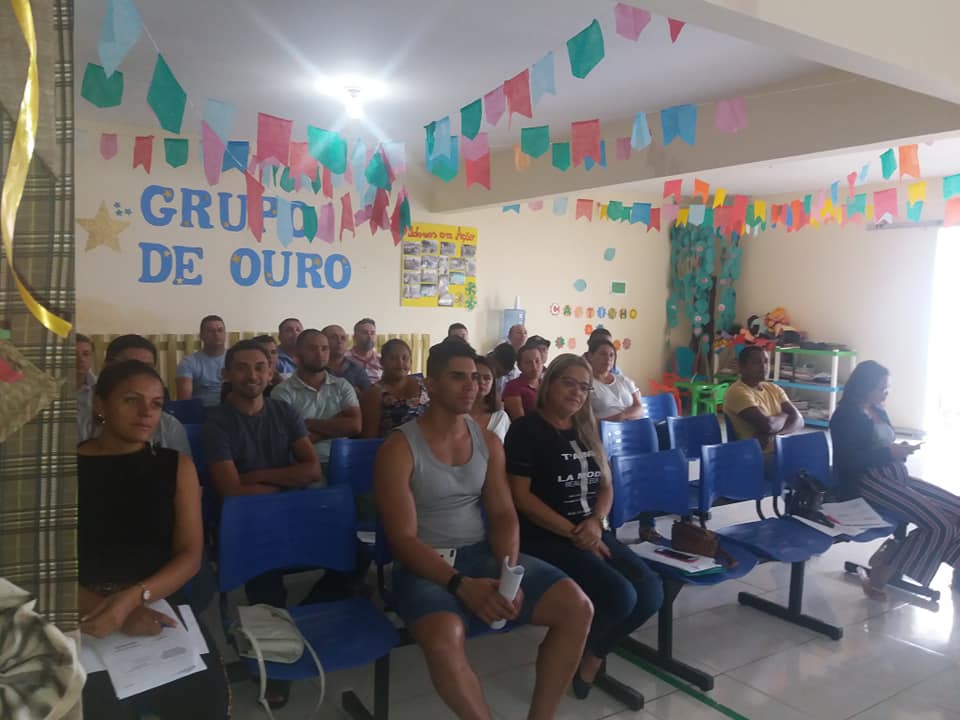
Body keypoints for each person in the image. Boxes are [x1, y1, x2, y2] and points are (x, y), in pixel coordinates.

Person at [374, 339, 593, 720]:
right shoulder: (399, 448)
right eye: (457, 377)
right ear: (431, 384)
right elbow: (403, 540)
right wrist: (462, 585)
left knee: (578, 608)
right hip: (425, 565)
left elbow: (504, 514)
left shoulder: (489, 442)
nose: (471, 386)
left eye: (475, 378)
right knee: (444, 639)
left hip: (481, 554)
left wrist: (508, 575)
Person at [504, 354, 662, 699]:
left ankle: (593, 653)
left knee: (651, 592)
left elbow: (606, 485)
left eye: (584, 387)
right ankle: (562, 647)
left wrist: (596, 523)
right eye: (569, 383)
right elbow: (521, 497)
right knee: (620, 595)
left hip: (590, 529)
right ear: (549, 384)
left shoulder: (586, 427)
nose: (577, 392)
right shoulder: (526, 430)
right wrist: (578, 533)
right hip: (545, 536)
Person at [78, 360, 229, 719]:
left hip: (157, 596)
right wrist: (107, 609)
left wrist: (133, 600)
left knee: (205, 705)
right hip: (79, 603)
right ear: (100, 404)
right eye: (131, 400)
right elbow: (39, 566)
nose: (147, 412)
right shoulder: (61, 469)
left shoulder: (176, 466)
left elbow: (190, 554)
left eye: (157, 403)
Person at [203, 339, 323, 708]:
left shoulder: (284, 411)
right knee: (267, 577)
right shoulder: (216, 421)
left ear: (271, 373)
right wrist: (285, 483)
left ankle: (296, 625)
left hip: (288, 512)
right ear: (227, 374)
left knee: (354, 557)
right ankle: (276, 663)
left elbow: (312, 470)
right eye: (241, 367)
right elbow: (232, 490)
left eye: (259, 367)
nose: (252, 375)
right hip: (245, 522)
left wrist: (259, 476)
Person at [830, 360, 960, 598]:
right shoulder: (845, 416)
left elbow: (884, 443)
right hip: (869, 480)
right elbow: (847, 460)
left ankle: (893, 555)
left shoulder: (877, 409)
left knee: (957, 508)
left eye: (887, 387)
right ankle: (883, 570)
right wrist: (889, 453)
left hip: (895, 474)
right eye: (881, 388)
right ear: (864, 386)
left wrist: (899, 450)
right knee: (940, 525)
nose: (886, 393)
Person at [79, 334, 192, 456]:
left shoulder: (169, 427)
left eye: (147, 368)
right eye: (130, 366)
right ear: (107, 367)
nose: (140, 374)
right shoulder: (78, 423)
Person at [272, 329, 361, 469]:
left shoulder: (342, 385)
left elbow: (354, 426)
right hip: (303, 465)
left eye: (324, 349)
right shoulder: (282, 392)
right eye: (312, 349)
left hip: (344, 461)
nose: (320, 354)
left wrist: (306, 424)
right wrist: (336, 425)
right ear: (298, 354)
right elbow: (286, 442)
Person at [723, 346, 803, 452]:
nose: (764, 366)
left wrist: (774, 436)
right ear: (742, 367)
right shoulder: (737, 391)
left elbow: (799, 420)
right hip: (753, 454)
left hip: (780, 449)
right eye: (756, 362)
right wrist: (786, 415)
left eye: (766, 362)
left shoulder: (773, 388)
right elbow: (767, 425)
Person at [360, 338, 429, 438]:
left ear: (411, 361)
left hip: (429, 443)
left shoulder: (424, 384)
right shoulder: (374, 393)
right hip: (392, 445)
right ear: (382, 362)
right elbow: (369, 437)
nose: (400, 363)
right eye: (393, 358)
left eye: (405, 358)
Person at [586, 338, 644, 421]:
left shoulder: (623, 380)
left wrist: (622, 416)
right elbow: (585, 418)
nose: (608, 358)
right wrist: (614, 421)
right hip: (603, 428)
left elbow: (640, 409)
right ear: (591, 356)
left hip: (634, 425)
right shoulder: (586, 384)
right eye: (603, 354)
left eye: (611, 355)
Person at [175, 315, 227, 407]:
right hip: (202, 411)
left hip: (232, 409)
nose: (216, 334)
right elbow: (184, 401)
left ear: (225, 334)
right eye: (210, 331)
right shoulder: (188, 362)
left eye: (220, 330)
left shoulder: (236, 359)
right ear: (201, 336)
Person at [220, 334, 283, 402]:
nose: (270, 357)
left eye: (273, 352)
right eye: (264, 352)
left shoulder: (282, 382)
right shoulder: (233, 386)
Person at [470, 355, 511, 442]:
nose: (481, 382)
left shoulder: (500, 417)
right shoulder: (456, 414)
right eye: (476, 377)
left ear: (493, 383)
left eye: (487, 378)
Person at [322, 324, 371, 392]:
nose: (339, 341)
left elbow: (369, 393)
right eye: (333, 337)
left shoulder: (356, 369)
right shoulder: (316, 368)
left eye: (343, 338)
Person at [502, 344, 543, 421]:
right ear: (519, 366)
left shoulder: (548, 384)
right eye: (528, 362)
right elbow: (520, 421)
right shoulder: (513, 387)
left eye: (537, 361)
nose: (534, 366)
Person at [349, 317, 383, 385]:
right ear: (354, 337)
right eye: (365, 333)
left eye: (372, 333)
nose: (369, 337)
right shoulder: (345, 358)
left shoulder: (382, 359)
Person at [76, 334, 97, 434]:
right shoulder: (52, 388)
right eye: (74, 354)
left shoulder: (101, 387)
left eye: (86, 354)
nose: (81, 359)